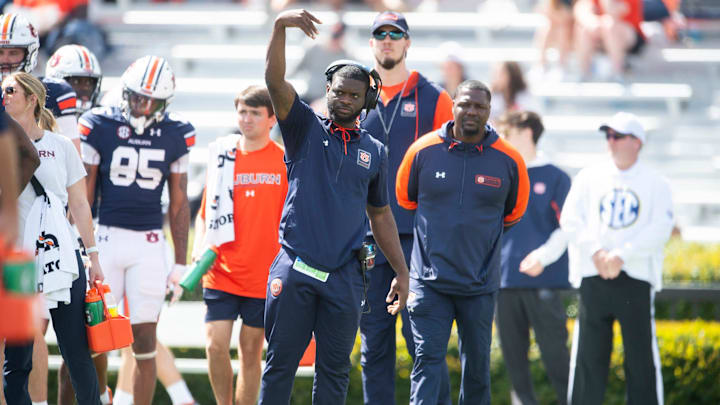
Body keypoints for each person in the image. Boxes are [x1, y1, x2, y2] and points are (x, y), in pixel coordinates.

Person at [261, 9, 410, 405]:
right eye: (338, 92)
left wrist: (401, 270)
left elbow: (381, 215)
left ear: (367, 100)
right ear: (327, 91)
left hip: (345, 278)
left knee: (335, 375)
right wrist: (279, 28)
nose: (344, 99)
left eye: (353, 94)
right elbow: (274, 81)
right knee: (279, 367)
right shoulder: (303, 128)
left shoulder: (375, 151)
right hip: (295, 268)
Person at [396, 80, 530, 405]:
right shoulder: (422, 150)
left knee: (477, 370)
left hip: (480, 286)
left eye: (480, 106)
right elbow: (405, 198)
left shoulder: (510, 159)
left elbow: (514, 213)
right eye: (465, 104)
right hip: (429, 283)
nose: (471, 111)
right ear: (453, 104)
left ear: (489, 111)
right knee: (427, 362)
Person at [79, 55, 194, 405]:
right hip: (106, 238)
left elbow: (178, 202)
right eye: (137, 97)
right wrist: (84, 247)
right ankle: (100, 396)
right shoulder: (98, 125)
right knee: (94, 337)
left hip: (148, 243)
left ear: (165, 103)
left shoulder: (177, 133)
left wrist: (179, 261)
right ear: (125, 93)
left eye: (151, 101)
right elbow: (83, 195)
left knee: (144, 341)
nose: (142, 107)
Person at [359, 11, 454, 405]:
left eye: (395, 33)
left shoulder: (435, 98)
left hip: (417, 241)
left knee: (424, 346)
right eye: (379, 33)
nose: (387, 39)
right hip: (365, 240)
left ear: (407, 42)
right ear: (371, 43)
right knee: (373, 347)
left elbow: (453, 170)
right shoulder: (351, 91)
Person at [2, 71, 103, 405]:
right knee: (17, 357)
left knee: (75, 350)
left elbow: (79, 204)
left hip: (60, 254)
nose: (4, 95)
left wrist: (93, 256)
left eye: (11, 90)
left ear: (32, 99)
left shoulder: (60, 146)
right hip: (18, 258)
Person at [560, 112, 671, 405]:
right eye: (608, 135)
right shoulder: (588, 176)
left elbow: (661, 227)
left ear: (637, 142)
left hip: (634, 278)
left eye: (617, 136)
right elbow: (570, 219)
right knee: (587, 359)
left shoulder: (655, 182)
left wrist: (622, 255)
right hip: (594, 274)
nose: (610, 141)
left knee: (641, 359)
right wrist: (596, 251)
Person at [192, 85, 287, 405]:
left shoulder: (285, 161)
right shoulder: (223, 156)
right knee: (214, 345)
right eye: (242, 112)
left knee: (250, 352)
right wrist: (198, 248)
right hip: (222, 270)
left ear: (272, 118)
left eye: (255, 113)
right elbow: (204, 212)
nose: (246, 119)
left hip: (264, 275)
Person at [494, 111, 571, 405]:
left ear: (527, 132)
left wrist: (543, 256)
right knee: (514, 361)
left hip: (544, 279)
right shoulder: (502, 173)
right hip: (503, 281)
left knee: (555, 355)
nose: (502, 139)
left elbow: (568, 227)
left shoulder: (556, 176)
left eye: (507, 132)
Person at [0, 13, 80, 154]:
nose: (5, 60)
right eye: (0, 52)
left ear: (30, 54)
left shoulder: (55, 92)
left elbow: (73, 159)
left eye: (13, 53)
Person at [574, 0, 645, 81]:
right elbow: (581, 7)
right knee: (584, 29)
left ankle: (618, 72)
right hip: (603, 33)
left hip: (631, 36)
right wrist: (592, 21)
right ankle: (584, 72)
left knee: (610, 26)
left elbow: (613, 12)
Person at [291, 20, 351, 104]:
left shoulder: (346, 57)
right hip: (309, 96)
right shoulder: (313, 48)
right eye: (334, 35)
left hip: (329, 102)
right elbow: (297, 69)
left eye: (338, 36)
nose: (334, 40)